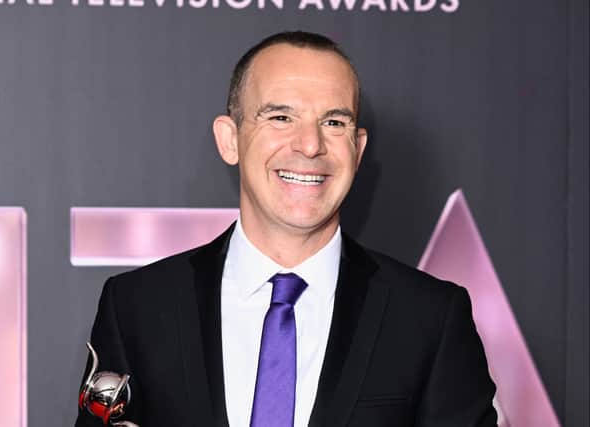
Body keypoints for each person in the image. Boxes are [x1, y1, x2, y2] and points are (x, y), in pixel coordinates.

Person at [75, 31, 497, 427]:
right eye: (280, 117)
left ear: (358, 148)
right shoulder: (137, 307)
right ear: (230, 140)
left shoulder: (430, 318)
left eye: (334, 122)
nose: (310, 145)